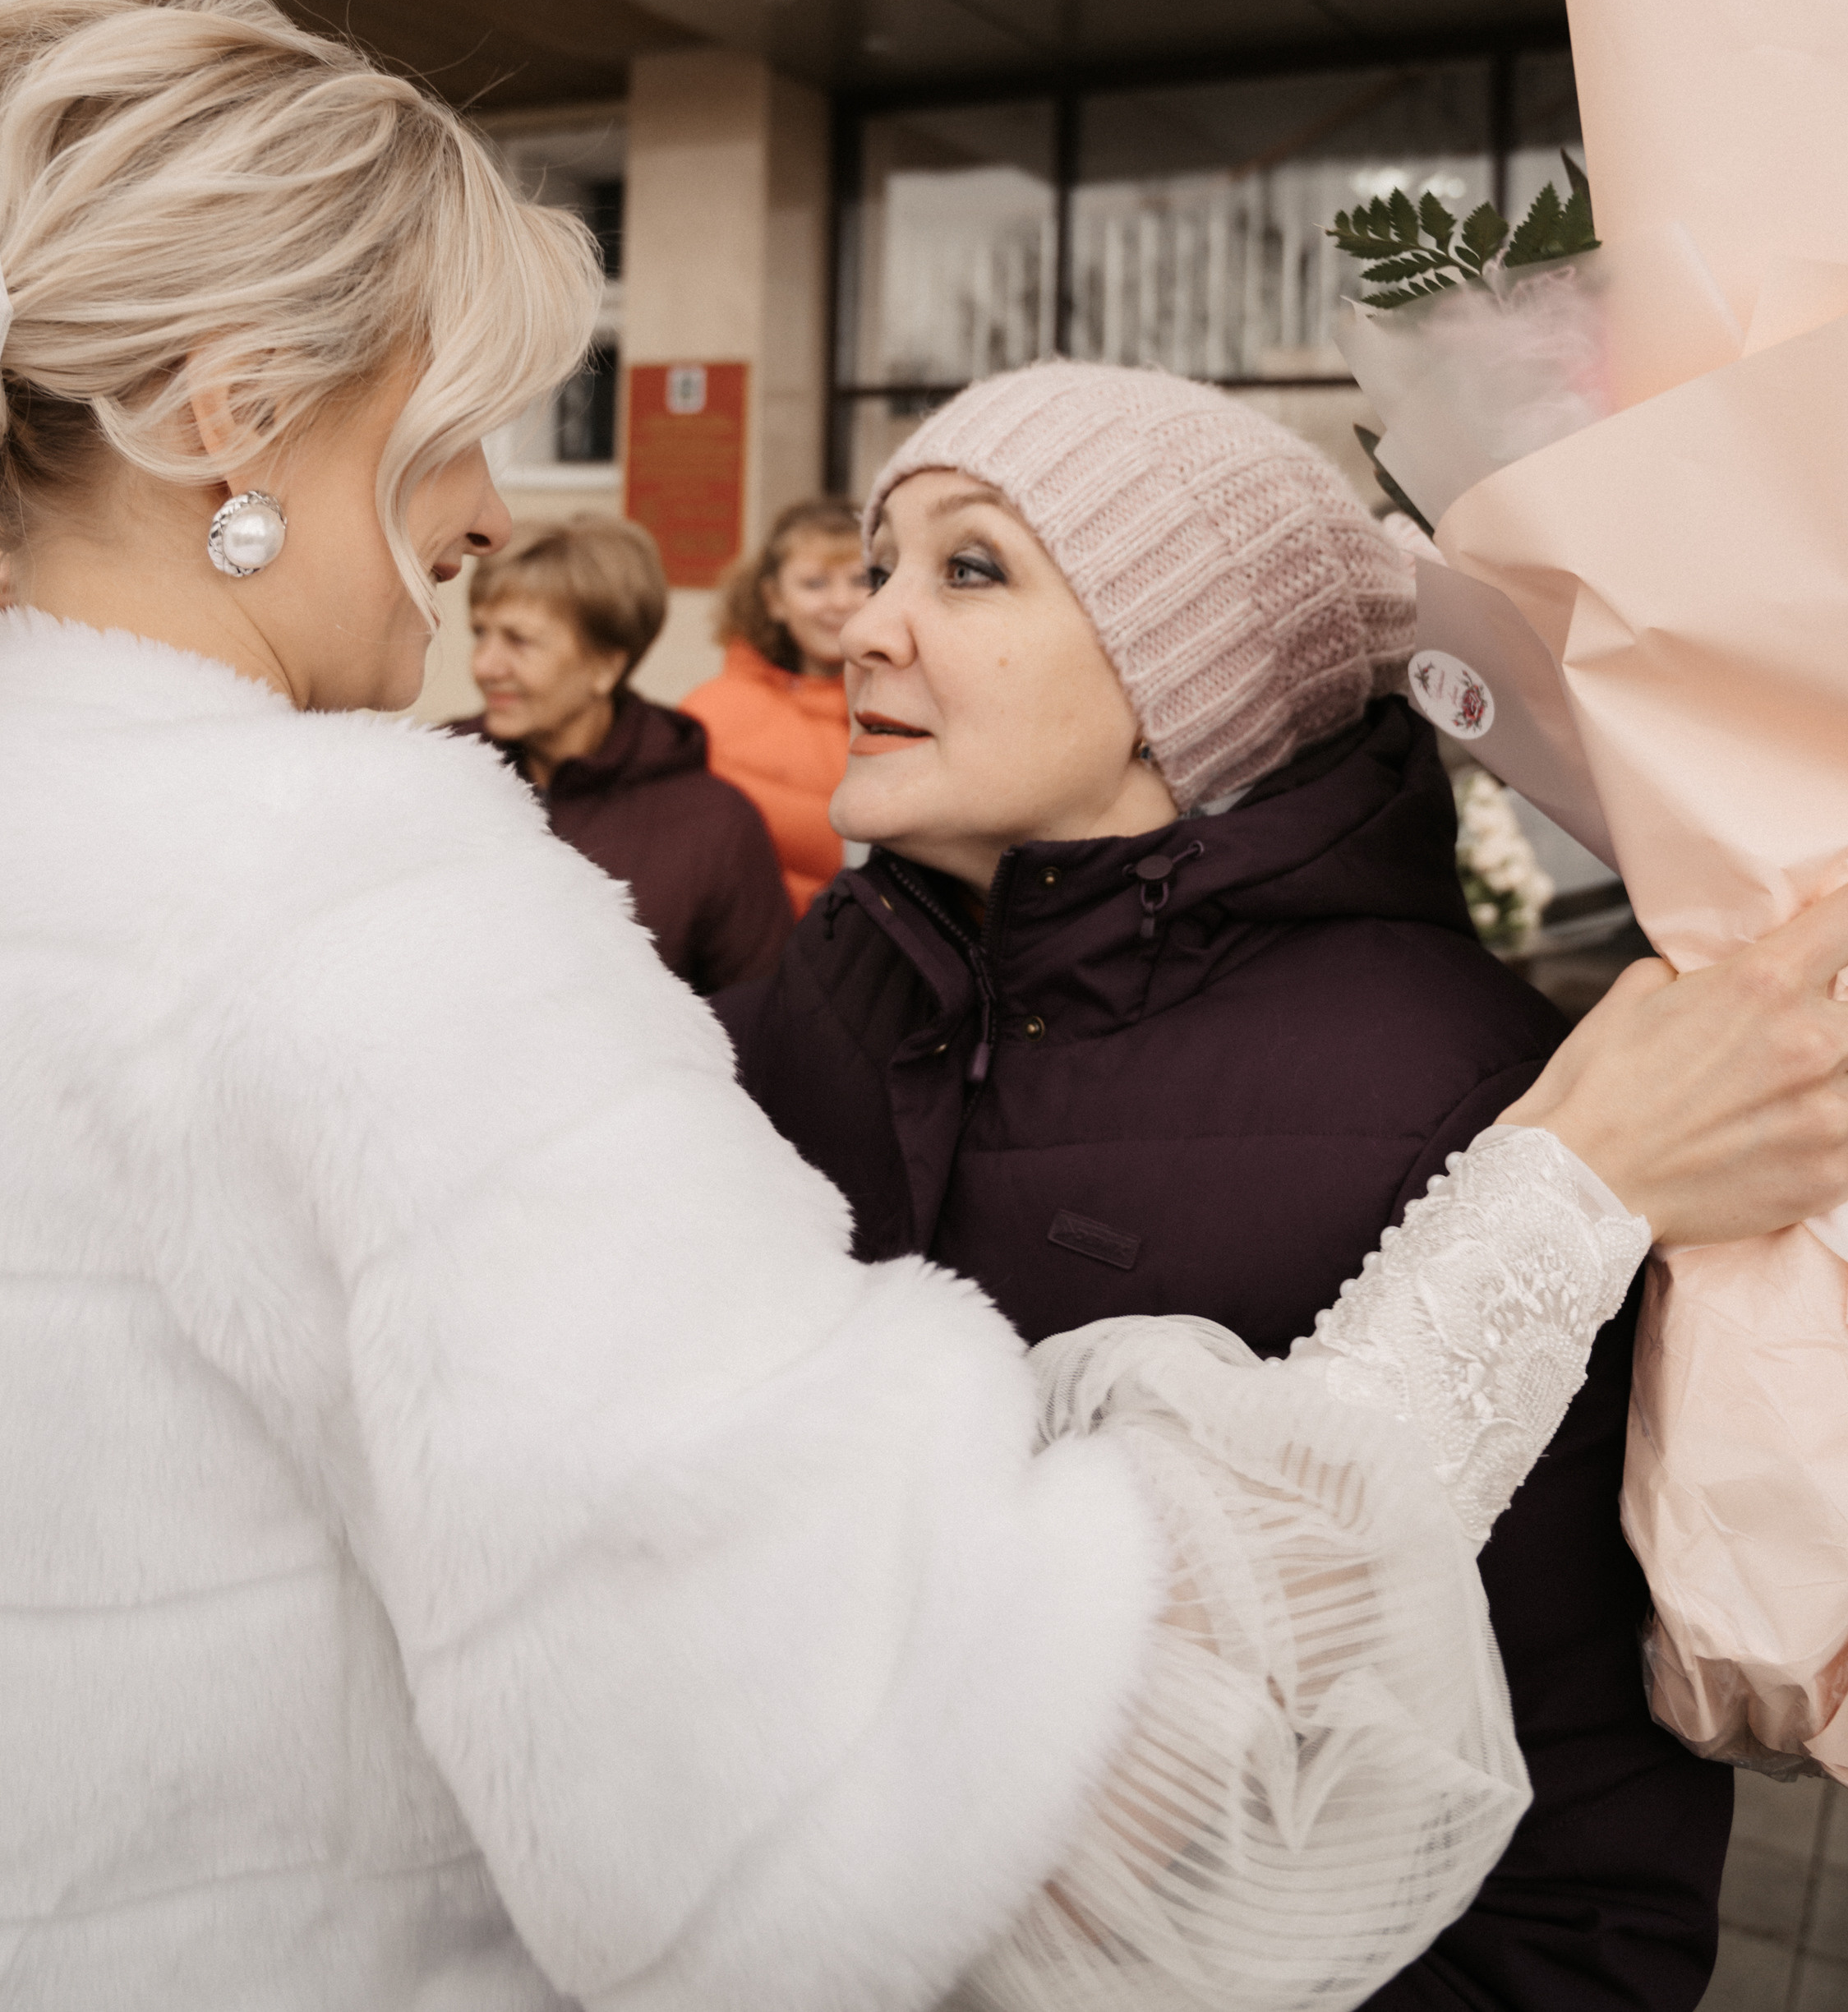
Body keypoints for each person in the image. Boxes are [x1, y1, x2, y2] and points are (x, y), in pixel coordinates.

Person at [0, 0, 1848, 2012]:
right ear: (232, 418)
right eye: (455, 421)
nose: (491, 510)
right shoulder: (364, 903)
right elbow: (904, 1799)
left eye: (974, 568)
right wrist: (1544, 1211)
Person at [717, 360, 1732, 2012]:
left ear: (1181, 673)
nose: (869, 625)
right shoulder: (843, 976)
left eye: (970, 567)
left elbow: (1577, 1842)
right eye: (882, 560)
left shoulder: (1458, 1092)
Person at [457, 516, 791, 991]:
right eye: (480, 633)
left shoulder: (716, 827)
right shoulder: (441, 776)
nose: (485, 665)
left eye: (519, 640)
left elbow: (759, 1023)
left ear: (606, 666)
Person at [681, 496, 868, 911]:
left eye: (861, 580)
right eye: (815, 584)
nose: (840, 602)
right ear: (774, 599)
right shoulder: (711, 716)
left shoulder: (922, 711)